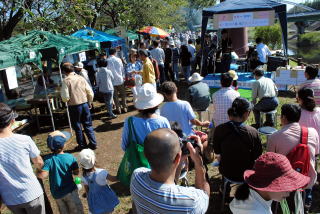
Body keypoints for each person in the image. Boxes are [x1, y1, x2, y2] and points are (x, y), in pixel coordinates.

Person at [130, 128, 210, 213]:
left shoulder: (136, 177)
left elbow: (168, 183)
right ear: (177, 158)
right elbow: (204, 194)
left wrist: (178, 161)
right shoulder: (190, 203)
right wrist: (199, 161)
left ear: (145, 155)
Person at [267, 104, 319, 211]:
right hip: (307, 181)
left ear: (284, 118)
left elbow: (270, 160)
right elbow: (316, 154)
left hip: (284, 183)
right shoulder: (313, 133)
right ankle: (306, 201)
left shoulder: (275, 136)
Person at [0, 103, 45, 214]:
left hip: (10, 198)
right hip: (31, 193)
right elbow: (39, 162)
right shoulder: (24, 140)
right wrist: (39, 170)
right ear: (12, 121)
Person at [230, 152, 310, 214]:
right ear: (269, 186)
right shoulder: (257, 211)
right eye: (285, 186)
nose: (290, 191)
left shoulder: (253, 194)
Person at [212, 97, 262, 182]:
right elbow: (257, 155)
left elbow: (217, 151)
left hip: (226, 171)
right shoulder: (253, 132)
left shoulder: (219, 129)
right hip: (246, 173)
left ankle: (224, 189)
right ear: (247, 113)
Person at [37, 131, 84, 214]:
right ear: (64, 145)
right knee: (76, 210)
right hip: (70, 191)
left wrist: (38, 169)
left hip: (57, 194)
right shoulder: (70, 157)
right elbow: (76, 173)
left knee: (63, 211)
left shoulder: (48, 159)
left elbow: (43, 175)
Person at [121, 83, 170, 151]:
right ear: (156, 104)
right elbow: (168, 145)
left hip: (136, 160)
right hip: (157, 160)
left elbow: (124, 146)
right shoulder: (163, 121)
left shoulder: (129, 121)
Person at [60, 62, 97, 150]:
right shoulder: (80, 78)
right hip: (84, 104)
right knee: (88, 125)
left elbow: (65, 97)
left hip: (74, 106)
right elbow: (90, 92)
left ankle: (82, 145)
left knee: (77, 127)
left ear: (64, 71)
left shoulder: (66, 81)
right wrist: (89, 102)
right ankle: (93, 143)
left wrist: (65, 100)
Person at [79, 149, 119, 214]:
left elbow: (87, 191)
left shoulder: (84, 177)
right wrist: (122, 175)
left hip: (94, 202)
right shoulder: (101, 172)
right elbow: (113, 179)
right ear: (94, 160)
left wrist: (90, 201)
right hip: (106, 199)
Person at [107, 48, 127, 114]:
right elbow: (122, 69)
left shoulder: (107, 60)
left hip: (112, 81)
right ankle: (124, 107)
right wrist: (123, 77)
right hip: (120, 79)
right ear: (115, 52)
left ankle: (118, 109)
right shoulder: (118, 60)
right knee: (123, 94)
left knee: (115, 96)